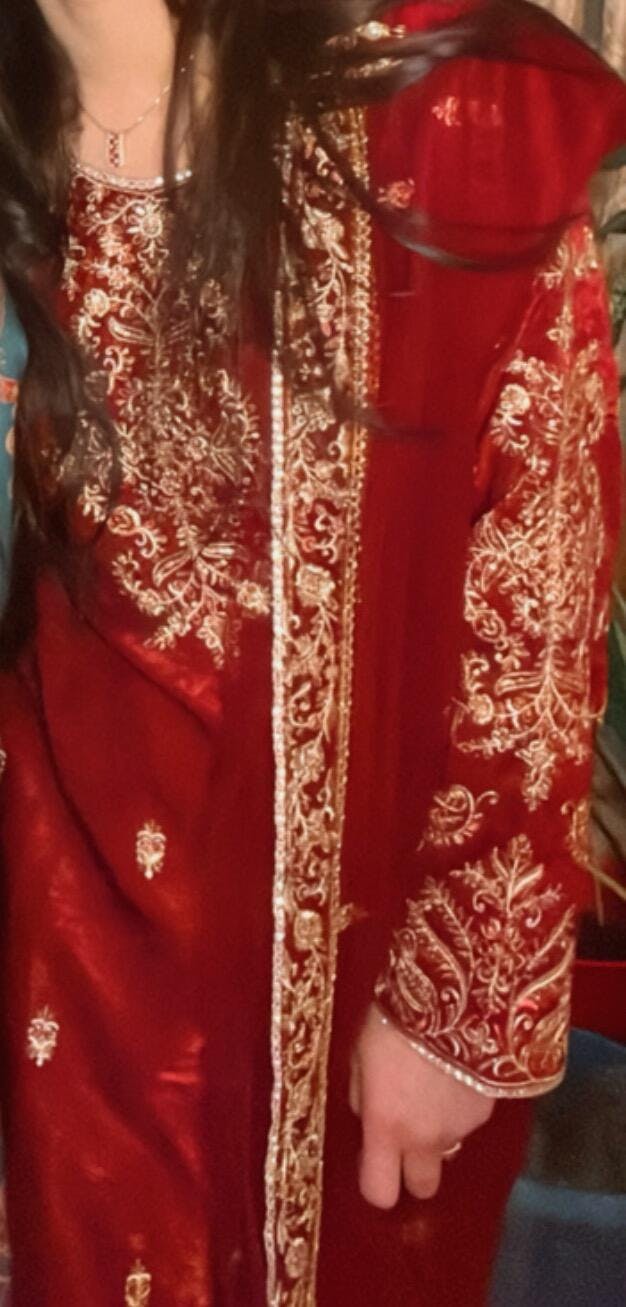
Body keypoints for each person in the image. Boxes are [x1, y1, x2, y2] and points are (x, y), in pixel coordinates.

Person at [0, 1, 624, 1303]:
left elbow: (537, 574)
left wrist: (457, 1005)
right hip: (47, 963)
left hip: (315, 1005)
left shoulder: (442, 124)